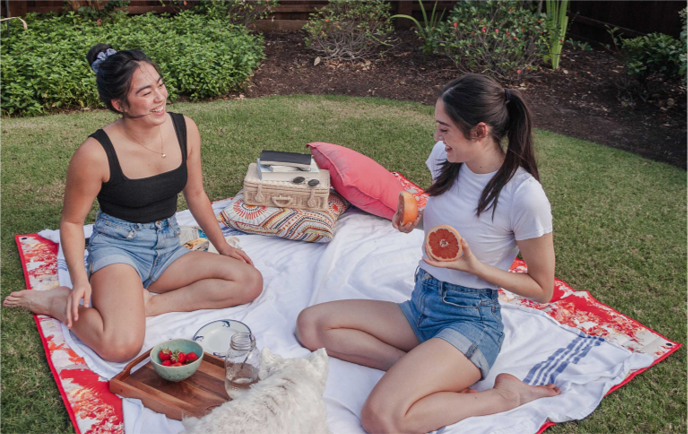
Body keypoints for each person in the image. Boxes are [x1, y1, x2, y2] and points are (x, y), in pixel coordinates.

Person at [296, 74, 561, 434]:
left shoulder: (523, 196)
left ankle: (505, 396)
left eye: (445, 129)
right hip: (421, 304)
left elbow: (543, 289)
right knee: (311, 325)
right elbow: (450, 223)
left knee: (381, 418)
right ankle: (417, 366)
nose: (437, 138)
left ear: (480, 131)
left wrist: (475, 267)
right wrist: (415, 220)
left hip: (471, 321)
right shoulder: (445, 159)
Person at [3, 44, 263, 362]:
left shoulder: (185, 129)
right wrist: (80, 281)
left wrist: (222, 245)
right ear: (119, 104)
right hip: (119, 250)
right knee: (120, 346)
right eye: (145, 92)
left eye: (160, 84)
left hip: (168, 247)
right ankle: (56, 302)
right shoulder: (95, 153)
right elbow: (71, 222)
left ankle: (150, 303)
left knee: (249, 281)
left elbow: (195, 194)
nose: (160, 97)